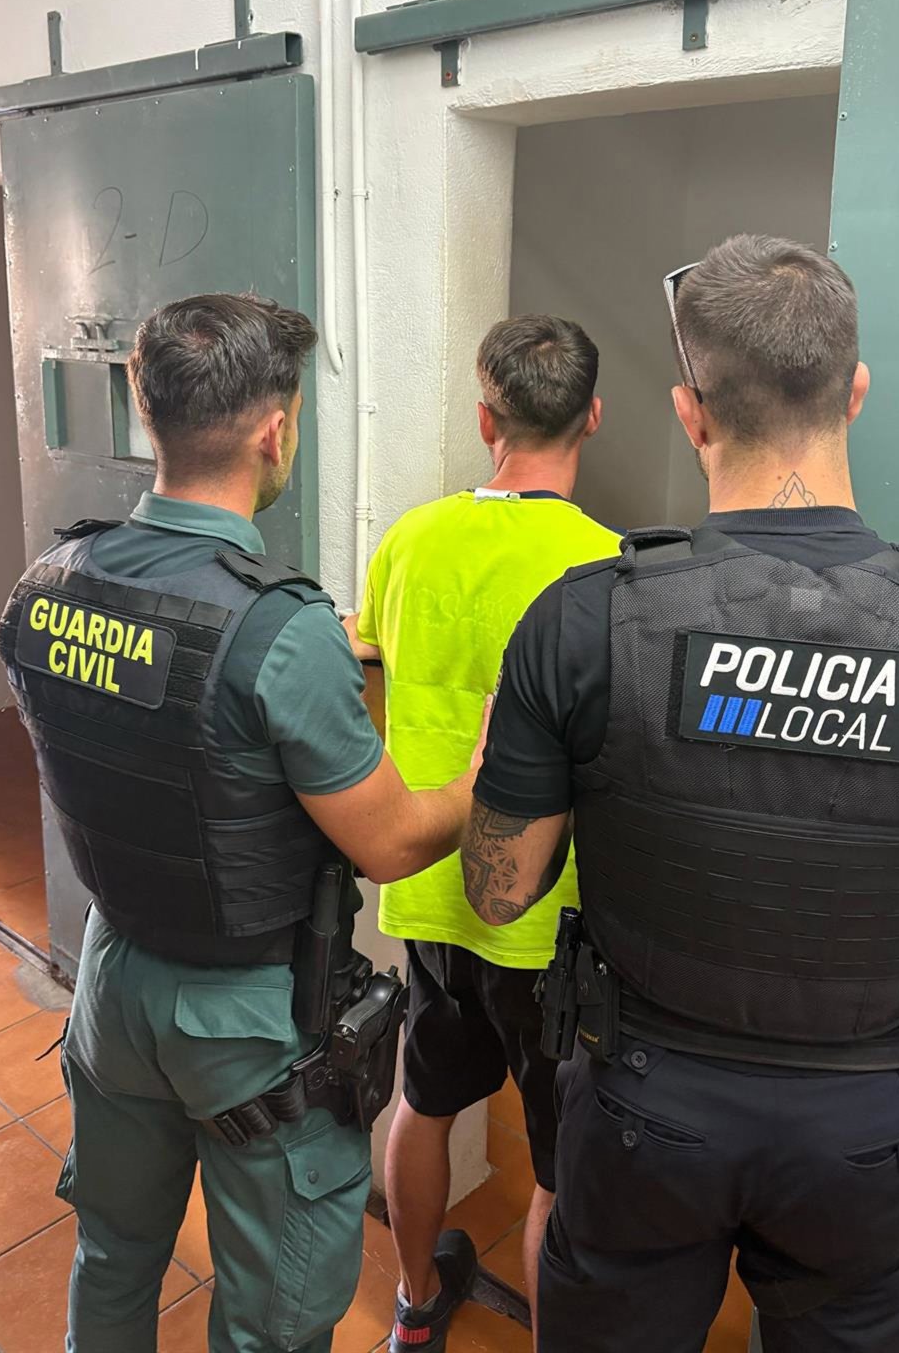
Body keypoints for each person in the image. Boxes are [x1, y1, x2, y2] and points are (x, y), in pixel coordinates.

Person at [461, 235, 899, 1353]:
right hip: (868, 1134)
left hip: (640, 1113)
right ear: (854, 392)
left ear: (689, 412)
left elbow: (498, 895)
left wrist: (496, 775)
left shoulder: (582, 620)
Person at [0, 294, 486, 1353]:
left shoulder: (47, 585)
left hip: (112, 978)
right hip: (245, 1017)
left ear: (146, 410)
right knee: (271, 1322)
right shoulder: (281, 627)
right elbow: (393, 841)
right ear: (276, 431)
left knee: (113, 1255)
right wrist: (482, 776)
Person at [346, 315, 620, 1353]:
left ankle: (414, 1307)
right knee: (556, 1164)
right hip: (549, 917)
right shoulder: (609, 569)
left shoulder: (408, 541)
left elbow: (368, 700)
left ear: (485, 418)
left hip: (427, 891)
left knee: (423, 1102)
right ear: (592, 417)